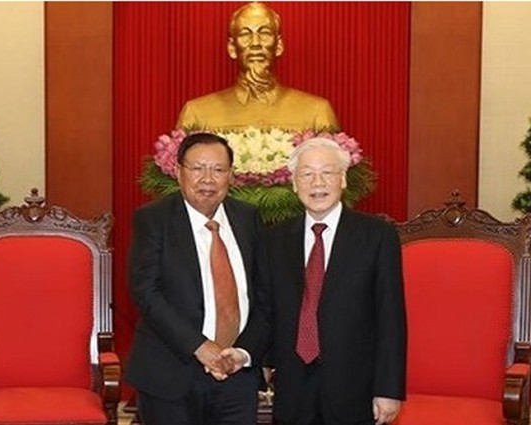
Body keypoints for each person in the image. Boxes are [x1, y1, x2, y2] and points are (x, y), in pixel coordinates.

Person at [125, 132, 271, 425]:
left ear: (231, 176)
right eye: (197, 168)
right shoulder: (154, 219)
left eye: (218, 170)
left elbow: (264, 294)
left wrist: (244, 353)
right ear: (179, 172)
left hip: (236, 376)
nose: (208, 179)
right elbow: (146, 291)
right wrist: (200, 347)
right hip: (172, 373)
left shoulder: (248, 217)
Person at [265, 138, 406, 425]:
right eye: (307, 174)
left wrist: (388, 389)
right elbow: (268, 308)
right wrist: (264, 363)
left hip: (354, 386)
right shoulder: (274, 239)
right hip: (292, 385)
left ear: (342, 179)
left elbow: (391, 317)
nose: (318, 182)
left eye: (327, 173)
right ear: (294, 183)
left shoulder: (377, 236)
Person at [176, 2, 339, 133]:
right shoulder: (196, 113)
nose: (255, 43)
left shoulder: (317, 112)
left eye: (265, 33)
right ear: (232, 48)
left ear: (279, 46)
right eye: (245, 34)